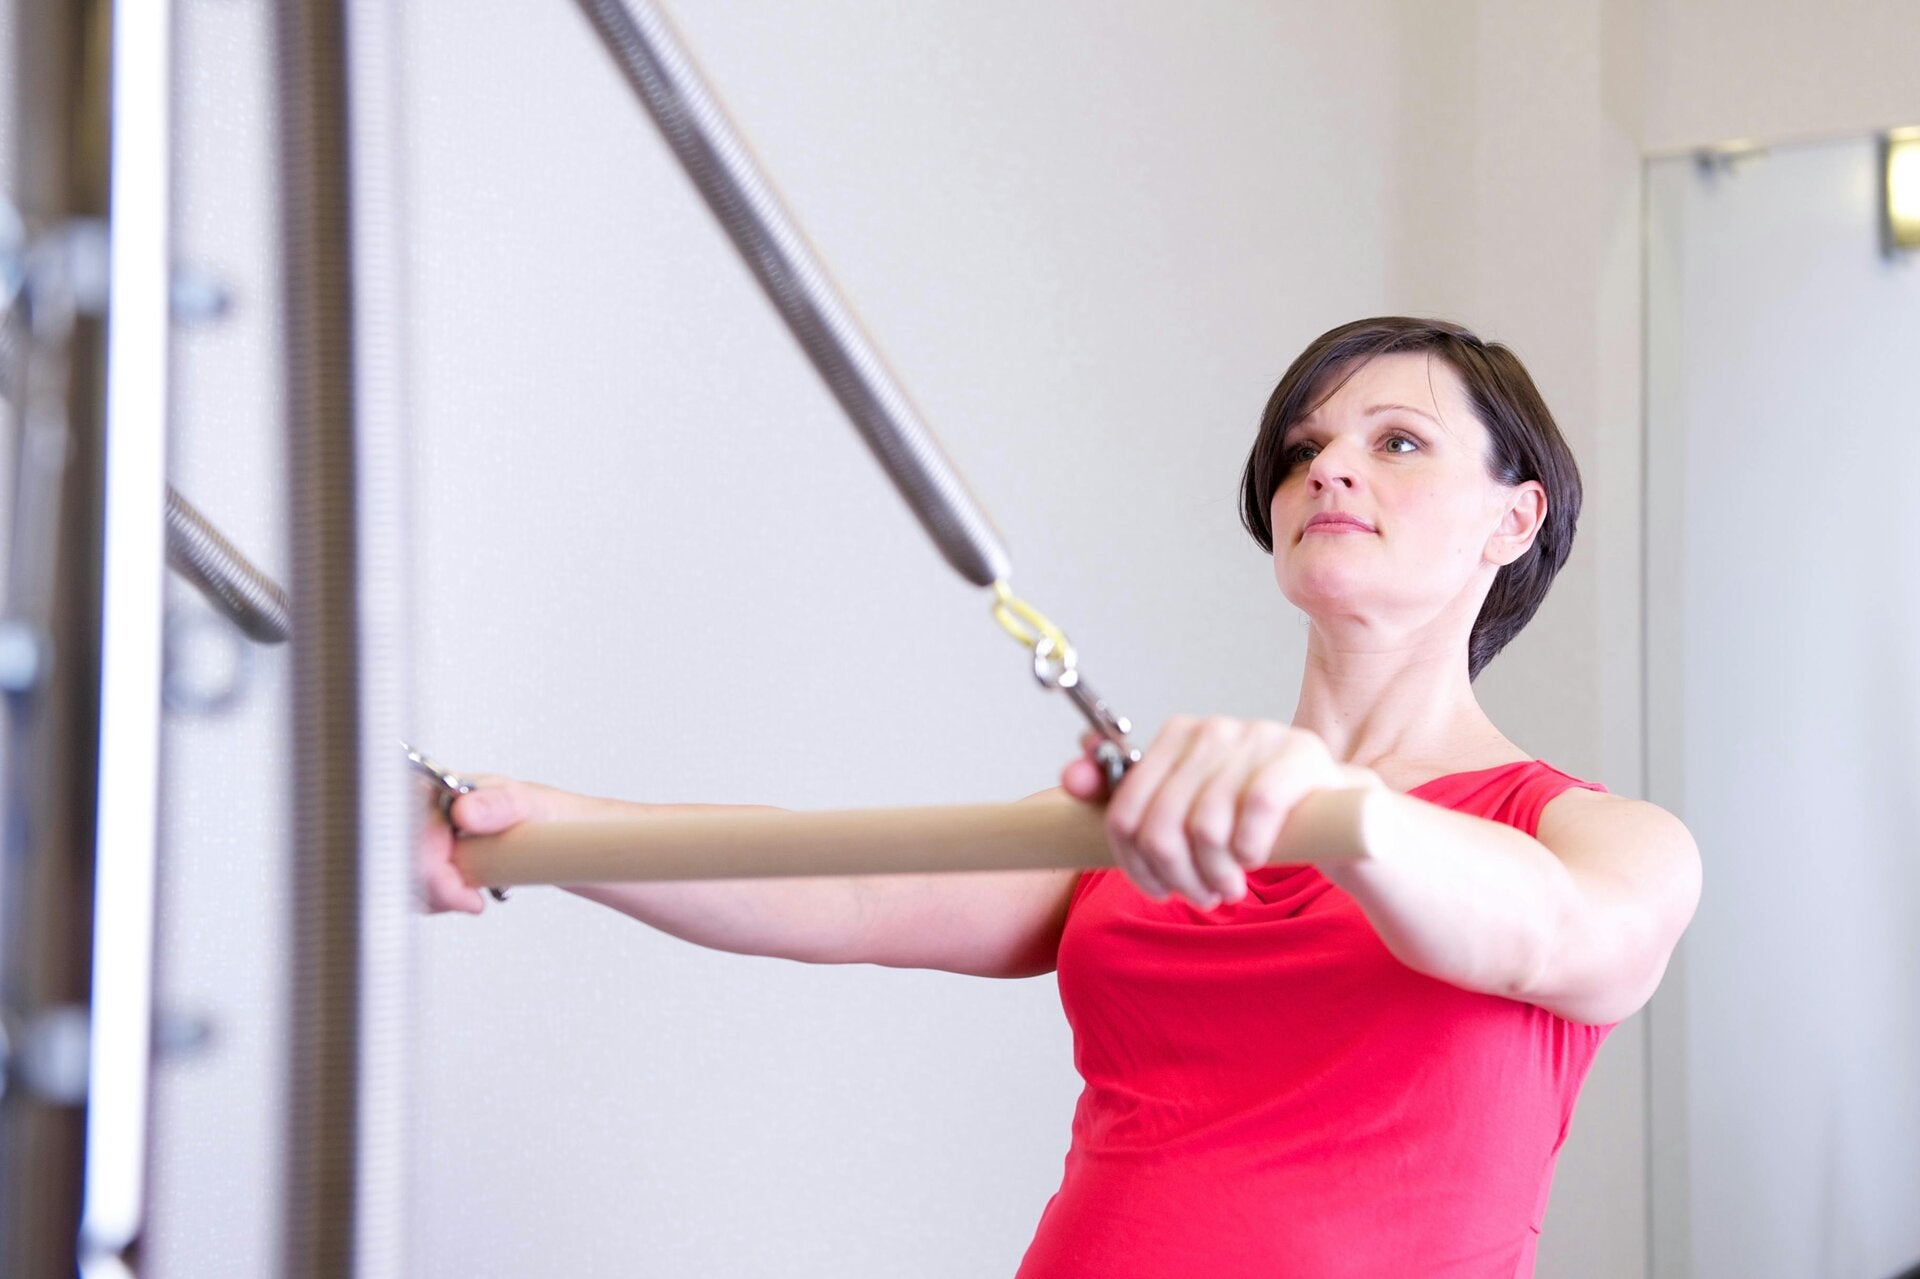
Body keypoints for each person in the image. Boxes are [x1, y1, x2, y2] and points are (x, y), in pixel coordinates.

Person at [418, 316, 1701, 1277]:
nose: (1329, 471)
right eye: (1303, 449)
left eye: (1398, 442)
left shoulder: (1597, 836)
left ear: (1514, 518)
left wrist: (1335, 804)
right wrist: (531, 826)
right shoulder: (1161, 816)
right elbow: (851, 888)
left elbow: (1549, 933)